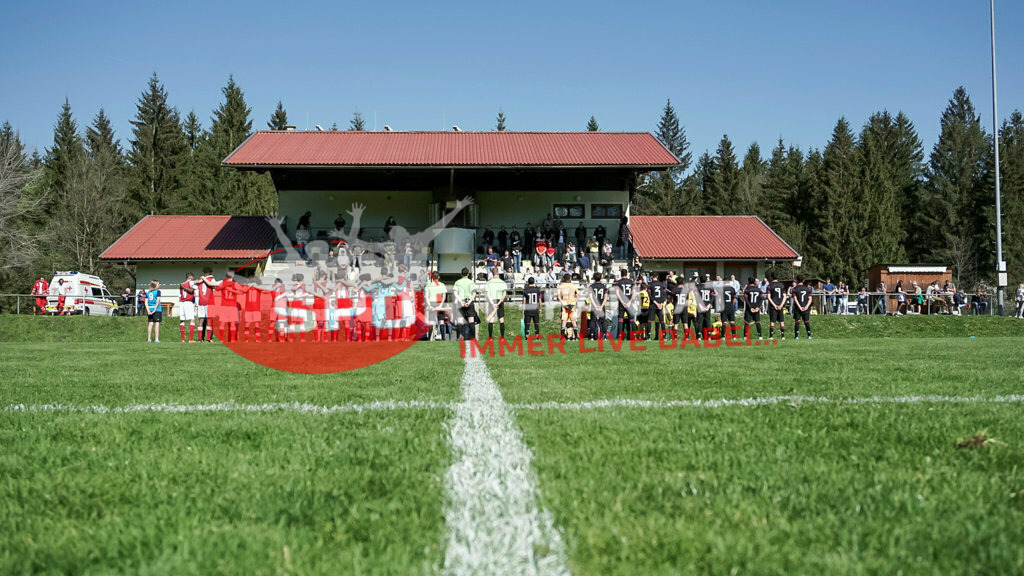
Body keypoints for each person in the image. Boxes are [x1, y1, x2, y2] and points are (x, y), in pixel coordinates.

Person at [195, 267, 219, 342]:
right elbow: (214, 285)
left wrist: (201, 278)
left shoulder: (199, 280)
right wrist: (208, 278)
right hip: (209, 302)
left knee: (201, 320)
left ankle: (200, 339)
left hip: (201, 301)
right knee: (209, 320)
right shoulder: (211, 279)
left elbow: (195, 285)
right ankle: (208, 339)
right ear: (209, 272)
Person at [453, 267, 478, 341]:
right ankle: (473, 338)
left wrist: (461, 301)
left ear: (461, 274)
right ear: (468, 274)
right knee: (471, 320)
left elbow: (455, 293)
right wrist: (469, 302)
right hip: (469, 302)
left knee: (460, 321)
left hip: (460, 302)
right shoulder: (471, 282)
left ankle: (458, 338)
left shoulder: (457, 282)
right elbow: (474, 293)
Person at [425, 274, 451, 341]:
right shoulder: (442, 285)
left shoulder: (428, 285)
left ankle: (430, 338)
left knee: (431, 321)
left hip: (432, 302)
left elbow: (426, 297)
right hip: (439, 302)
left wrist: (429, 305)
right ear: (438, 277)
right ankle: (443, 338)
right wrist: (441, 305)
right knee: (441, 320)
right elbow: (444, 296)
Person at [483, 269, 507, 340]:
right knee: (501, 319)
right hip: (499, 301)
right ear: (498, 273)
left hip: (492, 301)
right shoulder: (502, 282)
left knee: (491, 319)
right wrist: (499, 303)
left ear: (492, 273)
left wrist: (493, 304)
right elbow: (504, 294)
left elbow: (487, 294)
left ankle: (490, 337)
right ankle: (502, 337)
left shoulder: (489, 282)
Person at [616, 269, 637, 339]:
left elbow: (617, 293)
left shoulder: (618, 282)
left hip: (622, 303)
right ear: (627, 274)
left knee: (620, 320)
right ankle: (634, 336)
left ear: (621, 274)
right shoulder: (631, 282)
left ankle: (620, 336)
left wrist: (622, 301)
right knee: (632, 320)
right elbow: (634, 293)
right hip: (629, 303)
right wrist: (629, 302)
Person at [557, 273, 580, 340]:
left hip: (564, 304)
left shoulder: (560, 286)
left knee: (564, 321)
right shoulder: (573, 286)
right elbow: (577, 295)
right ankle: (575, 337)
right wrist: (575, 302)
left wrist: (563, 303)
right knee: (573, 321)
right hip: (572, 304)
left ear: (564, 278)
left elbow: (558, 296)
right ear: (570, 279)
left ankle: (562, 337)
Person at [589, 272, 609, 341]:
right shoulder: (604, 287)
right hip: (601, 305)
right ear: (601, 278)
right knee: (603, 321)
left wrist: (595, 305)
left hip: (594, 305)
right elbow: (605, 298)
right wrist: (601, 306)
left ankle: (592, 335)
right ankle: (604, 335)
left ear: (594, 278)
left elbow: (590, 297)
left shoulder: (591, 286)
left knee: (593, 320)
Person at [767, 275, 787, 340]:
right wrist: (781, 305)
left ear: (771, 278)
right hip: (780, 305)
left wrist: (774, 305)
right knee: (781, 321)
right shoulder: (782, 285)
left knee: (772, 321)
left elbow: (769, 297)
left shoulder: (770, 286)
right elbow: (784, 296)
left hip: (773, 306)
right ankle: (783, 336)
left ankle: (771, 336)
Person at [178, 273, 197, 343]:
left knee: (182, 320)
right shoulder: (191, 283)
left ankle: (183, 339)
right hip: (188, 302)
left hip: (182, 302)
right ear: (191, 277)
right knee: (192, 319)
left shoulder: (181, 284)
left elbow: (179, 296)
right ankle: (190, 339)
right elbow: (192, 291)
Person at [649, 272, 668, 339]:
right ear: (657, 276)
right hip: (660, 304)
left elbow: (650, 296)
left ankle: (648, 336)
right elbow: (665, 295)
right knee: (662, 320)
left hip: (653, 304)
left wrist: (656, 303)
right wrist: (661, 303)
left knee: (650, 320)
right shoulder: (662, 284)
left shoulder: (650, 284)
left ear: (652, 277)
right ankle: (664, 336)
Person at [696, 275, 716, 339]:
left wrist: (700, 305)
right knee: (707, 321)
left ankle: (699, 336)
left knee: (700, 321)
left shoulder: (697, 287)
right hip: (707, 306)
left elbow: (696, 297)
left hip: (700, 306)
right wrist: (709, 305)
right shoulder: (710, 287)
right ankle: (709, 336)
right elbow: (713, 296)